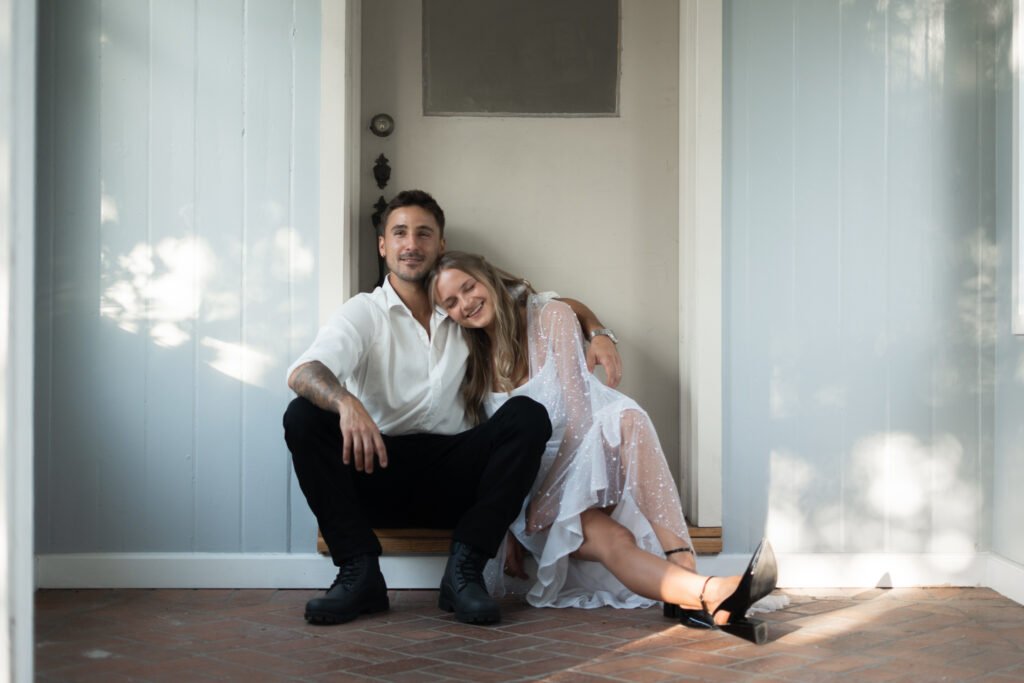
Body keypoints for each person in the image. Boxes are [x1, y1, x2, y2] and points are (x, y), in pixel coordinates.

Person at [282, 190, 622, 626]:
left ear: (440, 245)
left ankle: (464, 574)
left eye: (423, 233)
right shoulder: (364, 312)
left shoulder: (463, 304)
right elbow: (304, 371)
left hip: (458, 477)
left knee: (527, 415)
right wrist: (345, 402)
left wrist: (598, 331)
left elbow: (550, 304)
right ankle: (358, 572)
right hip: (378, 472)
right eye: (400, 233)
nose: (411, 244)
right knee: (303, 416)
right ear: (383, 245)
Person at [428, 251, 779, 643]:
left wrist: (548, 499)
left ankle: (692, 575)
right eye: (451, 303)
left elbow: (580, 420)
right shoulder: (469, 361)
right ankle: (707, 593)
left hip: (583, 464)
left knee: (626, 417)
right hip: (529, 494)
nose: (465, 303)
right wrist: (508, 522)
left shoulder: (552, 317)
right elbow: (490, 459)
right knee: (614, 541)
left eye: (469, 287)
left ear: (489, 277)